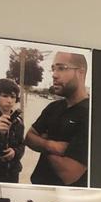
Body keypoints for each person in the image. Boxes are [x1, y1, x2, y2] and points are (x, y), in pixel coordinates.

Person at [25, 52, 90, 186]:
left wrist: (42, 141)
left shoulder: (90, 115)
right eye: (53, 69)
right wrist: (52, 145)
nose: (54, 74)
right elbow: (28, 138)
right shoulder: (53, 107)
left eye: (61, 68)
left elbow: (69, 173)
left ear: (81, 72)